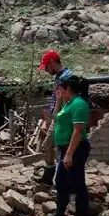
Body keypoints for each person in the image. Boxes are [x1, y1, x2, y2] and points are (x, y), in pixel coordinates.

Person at [49, 76, 92, 216]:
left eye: (60, 89)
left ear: (68, 89)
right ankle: (59, 215)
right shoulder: (67, 103)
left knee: (78, 184)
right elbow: (55, 118)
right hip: (65, 149)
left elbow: (78, 131)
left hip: (75, 149)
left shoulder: (79, 104)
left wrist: (69, 155)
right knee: (60, 181)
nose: (58, 91)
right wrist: (59, 101)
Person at [32, 49, 73, 185]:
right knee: (49, 145)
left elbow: (63, 99)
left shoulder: (65, 77)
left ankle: (63, 179)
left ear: (52, 62)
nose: (45, 70)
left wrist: (56, 116)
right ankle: (50, 176)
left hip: (62, 118)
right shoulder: (61, 76)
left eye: (46, 67)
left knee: (59, 147)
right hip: (58, 117)